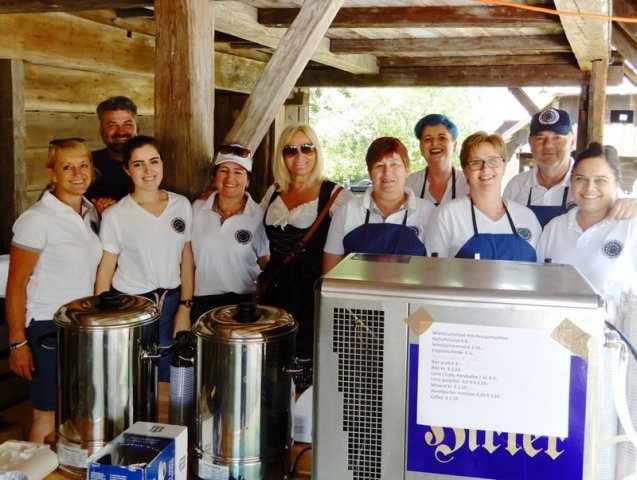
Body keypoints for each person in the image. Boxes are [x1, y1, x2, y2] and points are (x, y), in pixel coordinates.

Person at [5, 139, 101, 442]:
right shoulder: (37, 219)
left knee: (76, 409)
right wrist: (17, 343)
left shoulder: (89, 212)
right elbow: (15, 285)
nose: (78, 173)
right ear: (52, 174)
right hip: (47, 326)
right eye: (67, 167)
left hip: (82, 325)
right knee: (47, 412)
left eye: (83, 165)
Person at [259, 124, 352, 391]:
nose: (299, 155)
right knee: (271, 373)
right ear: (282, 155)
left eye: (306, 147)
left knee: (303, 377)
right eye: (290, 150)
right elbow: (251, 228)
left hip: (310, 299)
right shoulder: (273, 192)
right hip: (273, 296)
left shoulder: (336, 196)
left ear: (316, 151)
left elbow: (350, 248)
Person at [95, 135, 193, 382]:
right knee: (131, 375)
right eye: (138, 164)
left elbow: (187, 259)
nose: (148, 170)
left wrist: (185, 307)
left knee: (168, 375)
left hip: (170, 303)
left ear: (162, 163)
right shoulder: (117, 214)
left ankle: (164, 422)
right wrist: (101, 317)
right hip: (131, 304)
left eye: (154, 161)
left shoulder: (180, 205)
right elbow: (106, 268)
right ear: (127, 170)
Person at [537, 142, 637, 312]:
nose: (589, 188)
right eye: (580, 178)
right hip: (556, 332)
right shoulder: (554, 228)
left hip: (614, 335)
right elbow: (539, 285)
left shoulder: (631, 226)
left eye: (601, 180)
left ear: (616, 184)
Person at [504, 107, 636, 227]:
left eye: (557, 137)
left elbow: (627, 208)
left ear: (572, 142)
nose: (548, 144)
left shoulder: (593, 186)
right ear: (530, 143)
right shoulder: (516, 186)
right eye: (540, 138)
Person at [425, 131, 541, 261]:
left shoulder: (527, 217)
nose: (485, 169)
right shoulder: (446, 215)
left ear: (504, 166)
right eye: (476, 162)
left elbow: (540, 273)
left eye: (493, 161)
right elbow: (434, 275)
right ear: (465, 171)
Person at [323, 137, 434, 272]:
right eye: (379, 166)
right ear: (370, 174)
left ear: (407, 170)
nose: (387, 172)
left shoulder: (429, 213)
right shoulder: (347, 211)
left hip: (411, 293)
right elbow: (330, 273)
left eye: (395, 164)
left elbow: (435, 271)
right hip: (356, 293)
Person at [190, 144, 269, 323]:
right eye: (224, 170)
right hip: (201, 303)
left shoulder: (259, 215)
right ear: (214, 176)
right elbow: (186, 259)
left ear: (248, 180)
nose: (230, 178)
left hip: (244, 304)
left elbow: (266, 261)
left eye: (238, 172)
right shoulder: (196, 209)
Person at [85, 96, 138, 213]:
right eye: (112, 125)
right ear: (101, 130)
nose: (121, 131)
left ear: (137, 127)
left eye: (127, 124)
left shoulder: (153, 163)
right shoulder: (87, 164)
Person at [406, 113, 469, 205]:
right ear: (421, 147)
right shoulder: (407, 185)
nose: (434, 143)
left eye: (442, 138)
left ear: (454, 146)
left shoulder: (469, 184)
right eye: (427, 139)